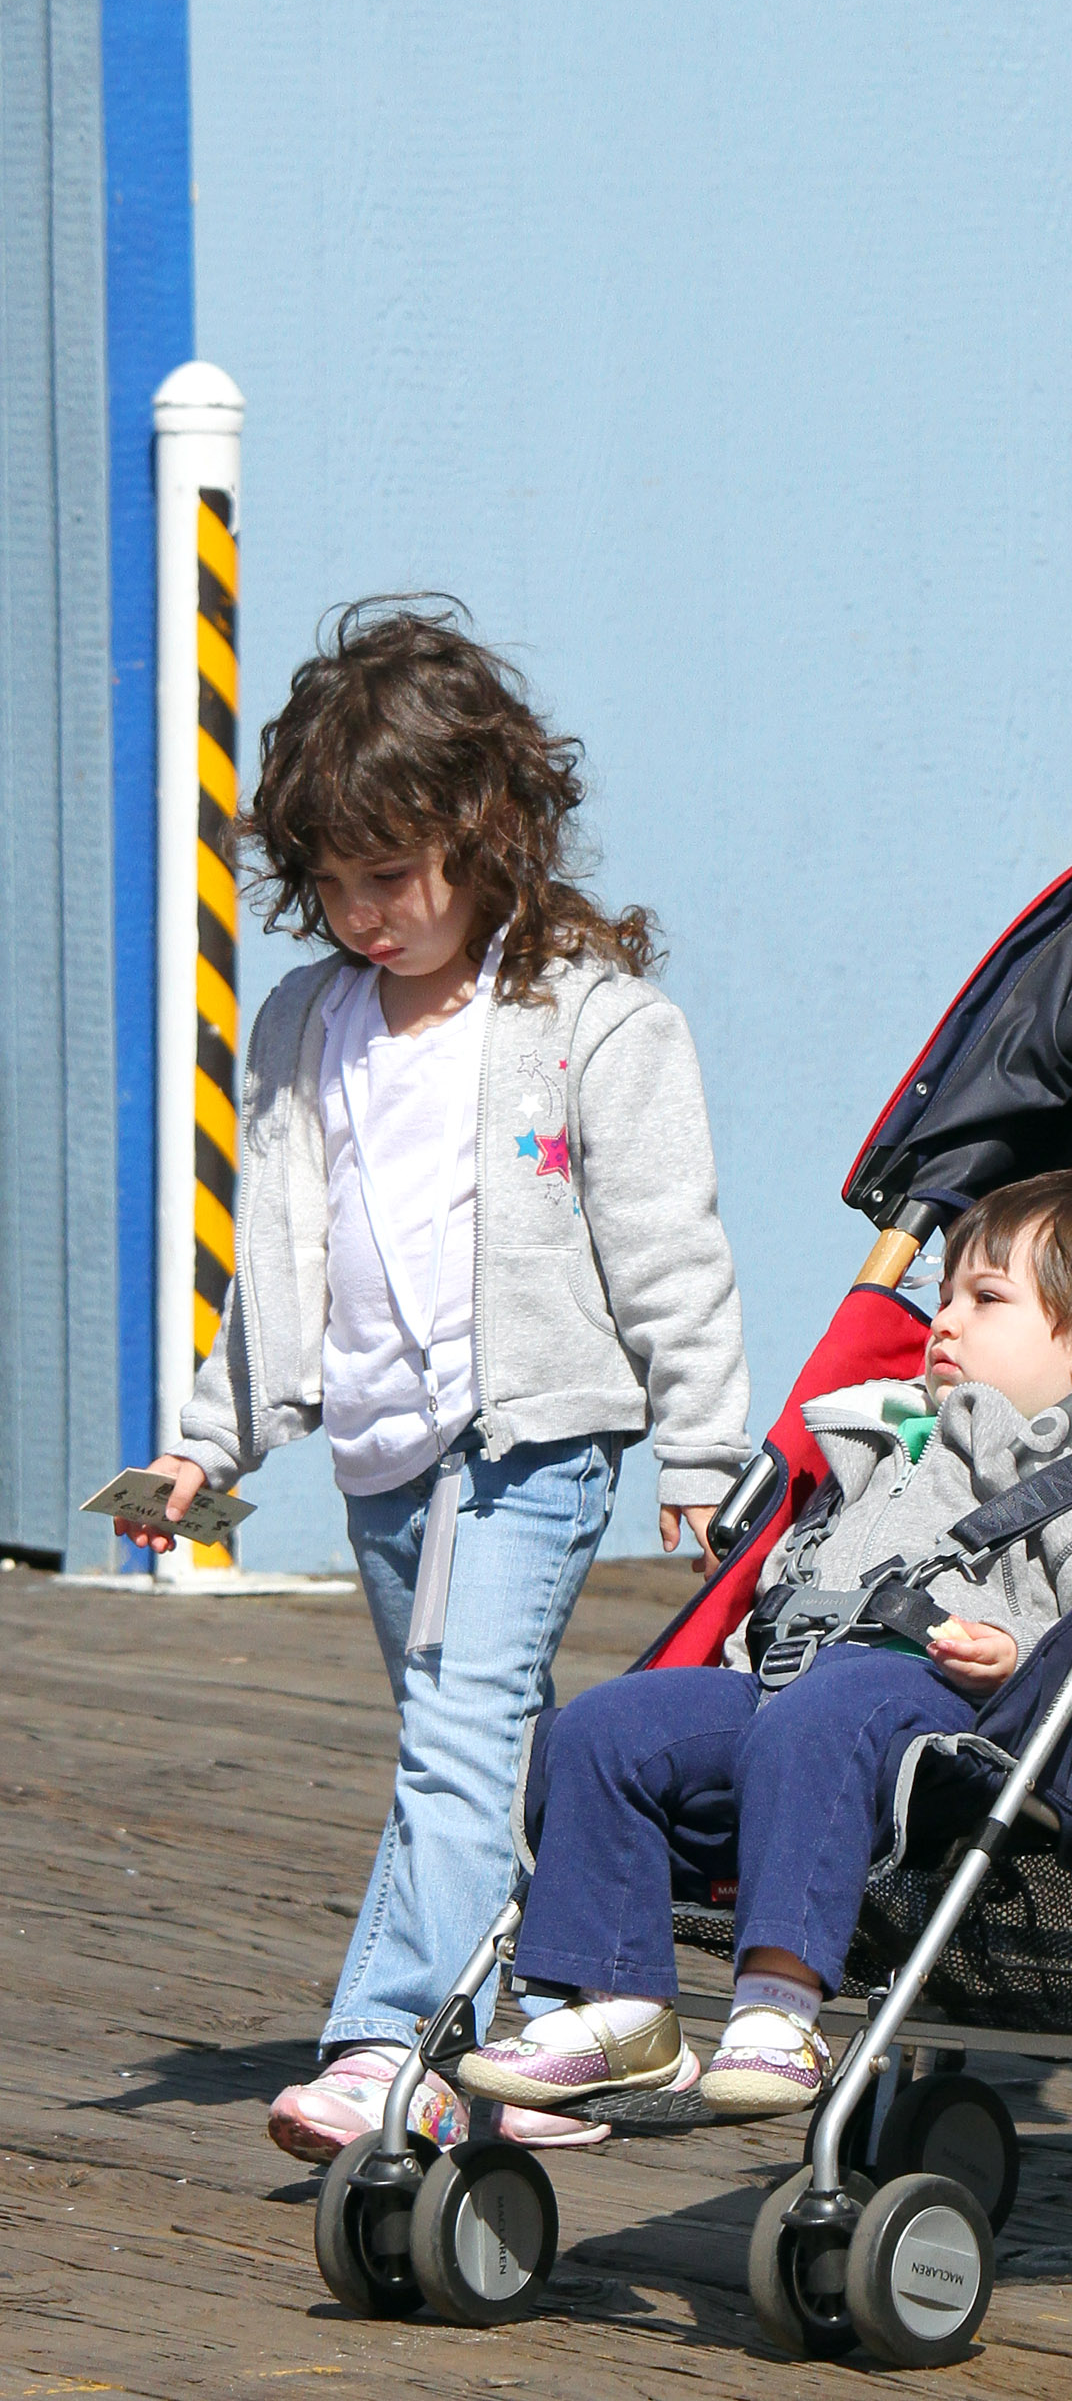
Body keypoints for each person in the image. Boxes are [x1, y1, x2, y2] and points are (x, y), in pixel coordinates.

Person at [118, 601, 751, 2166]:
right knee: (495, 1741)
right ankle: (558, 2034)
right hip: (382, 1456)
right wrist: (208, 1442)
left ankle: (385, 2042)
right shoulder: (305, 1026)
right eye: (330, 885)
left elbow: (671, 1245)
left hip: (531, 1442)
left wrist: (703, 1441)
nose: (363, 915)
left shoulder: (590, 1022)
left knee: (453, 1746)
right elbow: (273, 1263)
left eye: (391, 877)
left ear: (490, 830)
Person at [456, 1168, 1072, 2120]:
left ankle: (780, 2006)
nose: (944, 1320)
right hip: (785, 1681)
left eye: (986, 1300)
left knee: (826, 1716)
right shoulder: (885, 1431)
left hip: (937, 1712)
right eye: (942, 1294)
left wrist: (1016, 1652)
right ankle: (618, 2006)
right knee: (605, 1728)